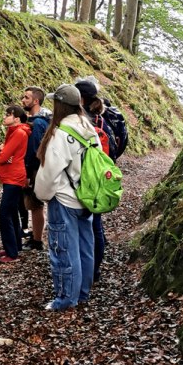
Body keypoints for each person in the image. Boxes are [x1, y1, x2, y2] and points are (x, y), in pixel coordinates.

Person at [34, 84, 99, 311]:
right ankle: (82, 294)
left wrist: (41, 194)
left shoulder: (62, 133)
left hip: (65, 198)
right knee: (84, 247)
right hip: (88, 196)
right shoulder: (89, 130)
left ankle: (65, 298)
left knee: (63, 249)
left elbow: (50, 170)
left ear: (60, 105)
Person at [75, 78, 117, 282]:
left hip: (82, 181)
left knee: (82, 228)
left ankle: (83, 271)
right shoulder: (103, 121)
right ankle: (94, 270)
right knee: (96, 227)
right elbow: (114, 152)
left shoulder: (80, 121)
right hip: (100, 180)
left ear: (80, 98)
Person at [0, 105, 31, 263]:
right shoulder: (14, 132)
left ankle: (12, 252)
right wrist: (2, 153)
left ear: (16, 118)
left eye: (8, 115)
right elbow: (4, 155)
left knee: (4, 213)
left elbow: (2, 157)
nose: (4, 117)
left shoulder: (18, 133)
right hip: (12, 175)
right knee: (12, 212)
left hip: (14, 177)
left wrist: (1, 153)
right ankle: (15, 246)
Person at [21, 86, 52, 251]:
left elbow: (33, 150)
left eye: (26, 97)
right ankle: (36, 236)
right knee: (35, 205)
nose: (23, 100)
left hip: (34, 169)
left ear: (36, 100)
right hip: (38, 168)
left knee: (35, 204)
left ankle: (37, 240)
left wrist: (27, 172)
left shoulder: (38, 123)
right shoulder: (41, 120)